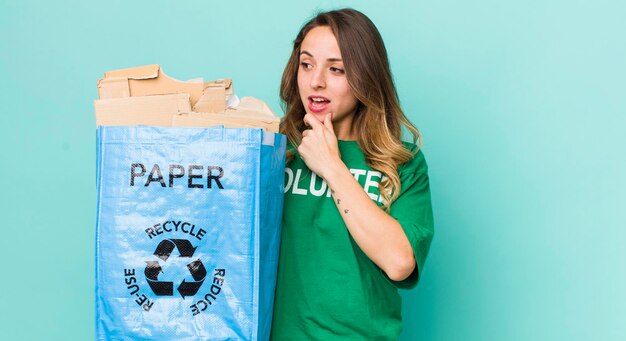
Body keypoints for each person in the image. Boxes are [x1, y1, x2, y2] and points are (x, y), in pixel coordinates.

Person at [270, 8, 434, 340]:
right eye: (307, 64)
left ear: (364, 76)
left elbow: (399, 262)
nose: (316, 80)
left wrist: (332, 166)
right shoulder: (274, 150)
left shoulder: (403, 162)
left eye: (336, 69)